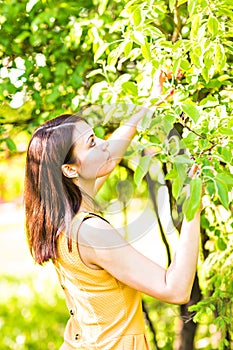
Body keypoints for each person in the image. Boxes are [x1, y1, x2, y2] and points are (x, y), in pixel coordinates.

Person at [24, 84, 201, 350]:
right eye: (92, 143)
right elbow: (174, 289)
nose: (107, 145)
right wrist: (193, 205)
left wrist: (147, 106)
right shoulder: (91, 232)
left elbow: (111, 154)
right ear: (70, 169)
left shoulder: (62, 216)